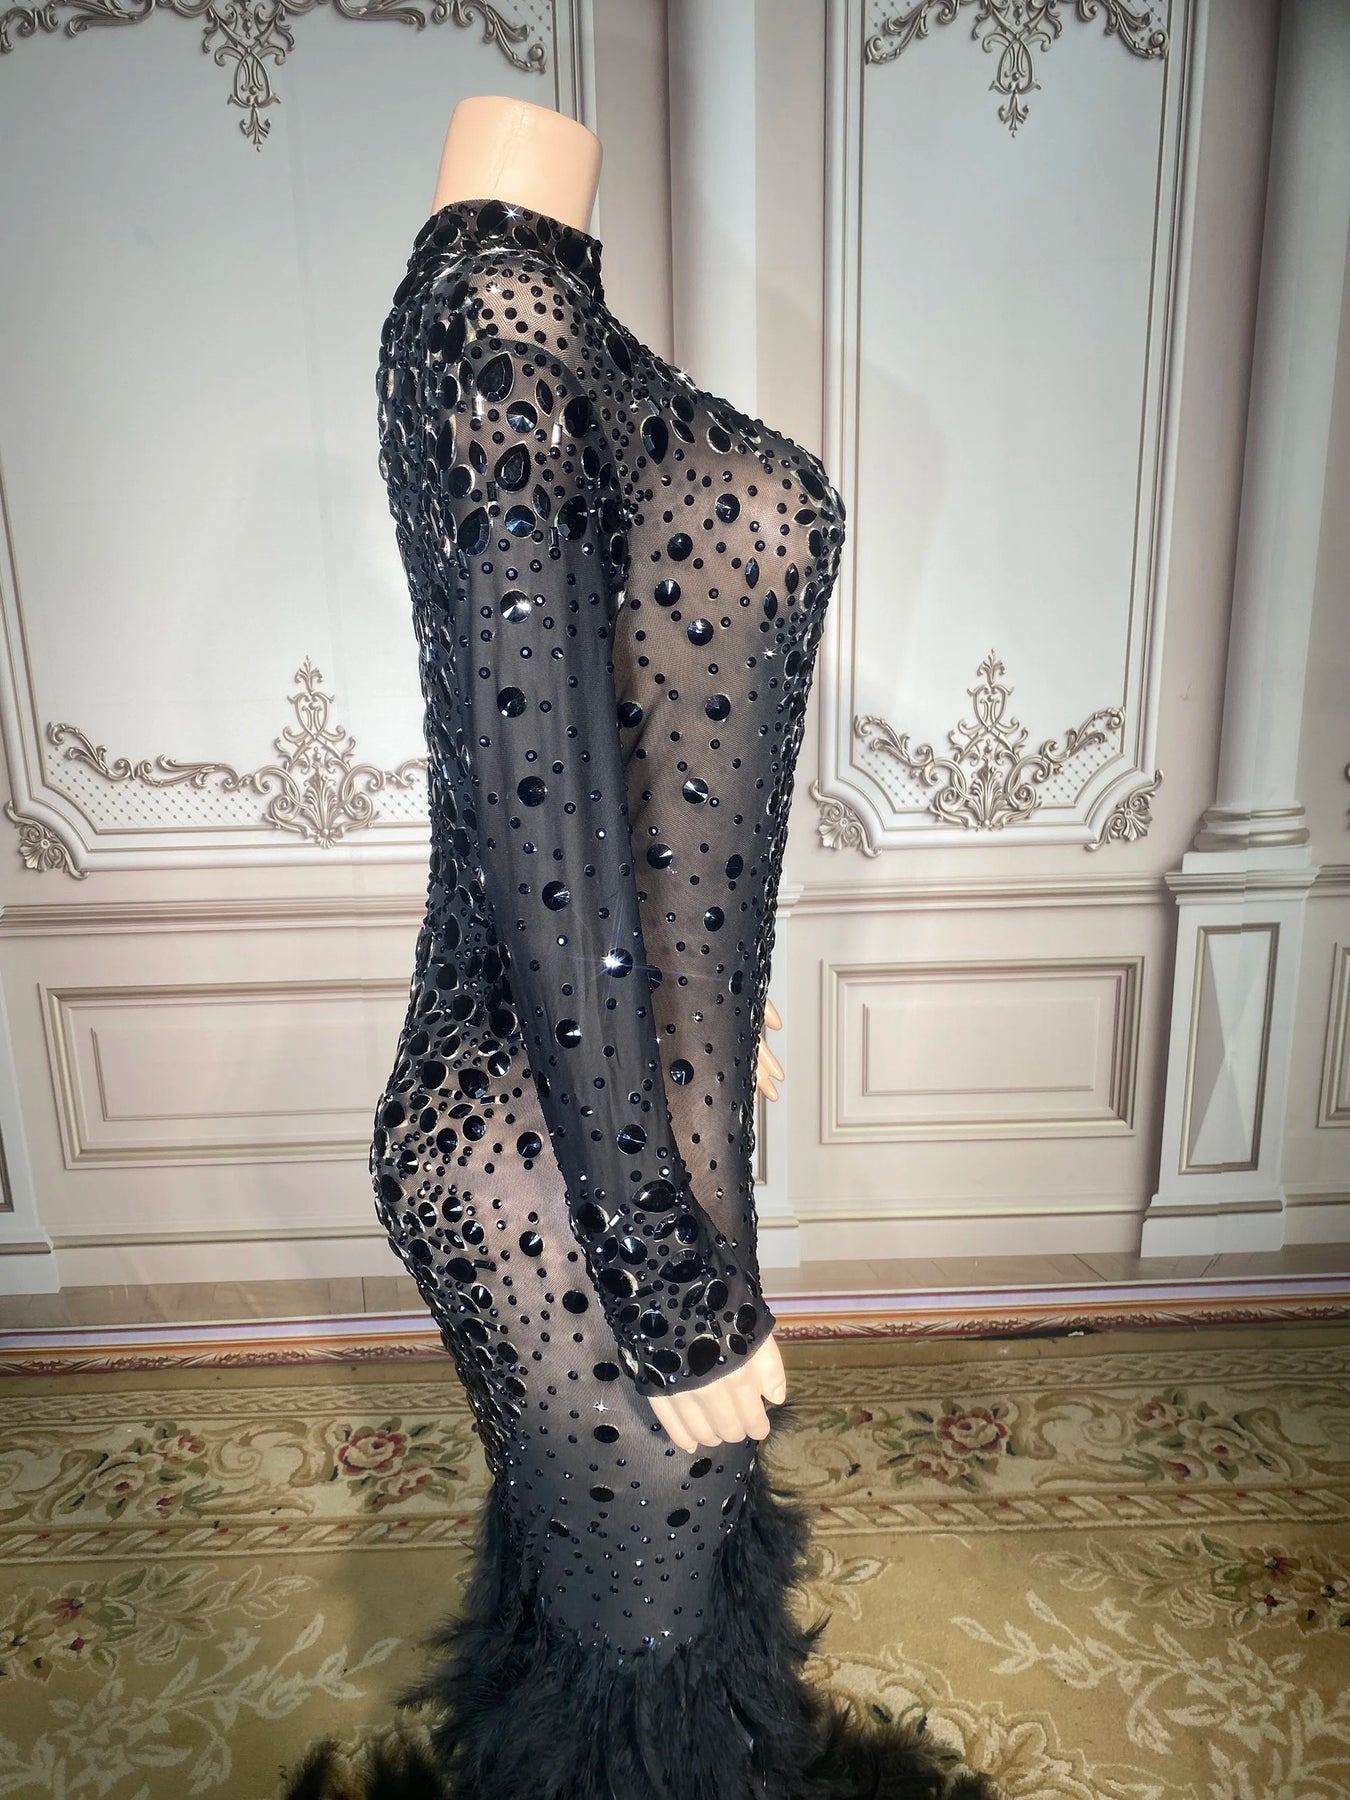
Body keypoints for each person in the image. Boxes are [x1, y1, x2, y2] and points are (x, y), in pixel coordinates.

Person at [280, 93, 997, 1800]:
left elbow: (610, 762)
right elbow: (535, 819)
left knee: (633, 1593)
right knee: (639, 1645)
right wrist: (667, 1287)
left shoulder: (523, 320)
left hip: (615, 1092)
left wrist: (714, 989)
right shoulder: (498, 323)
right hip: (568, 1151)